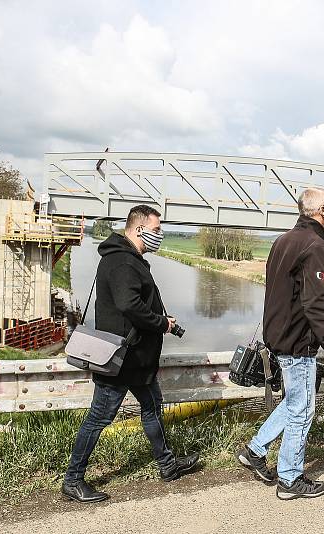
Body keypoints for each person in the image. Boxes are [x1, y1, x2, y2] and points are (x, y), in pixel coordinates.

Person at [62, 205, 199, 503]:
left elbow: (133, 304)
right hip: (120, 360)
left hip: (137, 359)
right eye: (156, 229)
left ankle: (167, 465)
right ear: (138, 230)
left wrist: (159, 321)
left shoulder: (126, 258)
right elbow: (129, 305)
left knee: (152, 407)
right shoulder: (123, 261)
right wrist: (162, 322)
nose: (160, 235)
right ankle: (73, 480)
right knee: (99, 417)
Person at [236, 187, 324, 500]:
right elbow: (317, 304)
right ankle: (290, 479)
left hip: (279, 337)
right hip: (298, 342)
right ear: (322, 211)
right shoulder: (315, 245)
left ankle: (256, 451)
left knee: (294, 401)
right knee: (303, 410)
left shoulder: (283, 240)